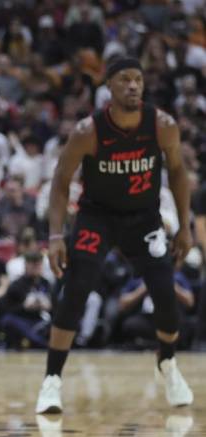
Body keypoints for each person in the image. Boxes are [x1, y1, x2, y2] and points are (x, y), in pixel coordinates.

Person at [36, 57, 194, 414]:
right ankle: (52, 380)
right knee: (76, 288)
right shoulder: (87, 131)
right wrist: (57, 236)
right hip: (97, 216)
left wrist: (185, 227)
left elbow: (180, 174)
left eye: (138, 79)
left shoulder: (162, 125)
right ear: (108, 86)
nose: (134, 86)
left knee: (165, 295)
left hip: (144, 217)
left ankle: (167, 363)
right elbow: (61, 182)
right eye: (125, 79)